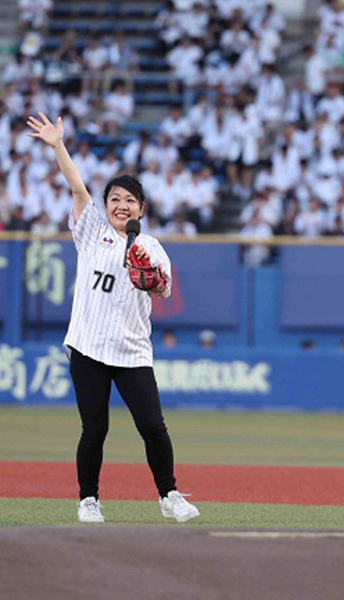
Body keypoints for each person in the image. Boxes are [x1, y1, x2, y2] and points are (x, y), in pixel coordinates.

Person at [26, 112, 200, 524]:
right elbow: (76, 186)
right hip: (88, 345)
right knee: (95, 428)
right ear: (106, 207)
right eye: (115, 200)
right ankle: (89, 500)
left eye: (130, 200)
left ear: (142, 208)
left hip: (132, 350)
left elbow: (161, 288)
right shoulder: (91, 230)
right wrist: (58, 146)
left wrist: (149, 276)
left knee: (153, 426)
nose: (122, 205)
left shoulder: (153, 246)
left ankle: (169, 495)